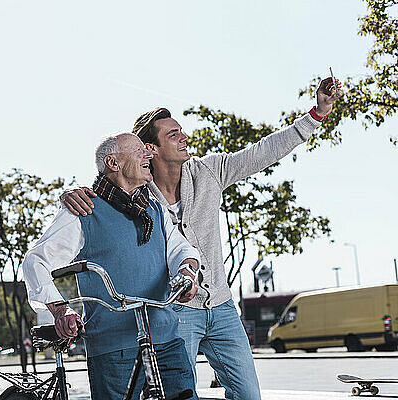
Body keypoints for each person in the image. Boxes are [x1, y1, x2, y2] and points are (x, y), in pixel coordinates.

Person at [61, 77, 342, 399]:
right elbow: (106, 185)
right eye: (174, 134)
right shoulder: (136, 190)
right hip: (176, 311)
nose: (185, 137)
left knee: (249, 394)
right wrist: (70, 193)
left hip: (222, 307)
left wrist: (316, 114)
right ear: (150, 148)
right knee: (178, 394)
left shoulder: (209, 171)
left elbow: (262, 153)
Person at [22, 132, 203, 400]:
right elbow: (35, 261)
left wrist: (187, 270)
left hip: (165, 339)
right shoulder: (84, 210)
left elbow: (179, 248)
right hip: (112, 345)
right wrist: (61, 310)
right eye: (139, 151)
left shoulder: (153, 208)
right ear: (113, 163)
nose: (149, 155)